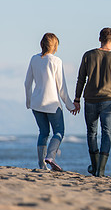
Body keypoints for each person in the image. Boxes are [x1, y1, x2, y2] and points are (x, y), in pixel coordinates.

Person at [73, 27, 111, 177]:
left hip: (90, 99)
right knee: (106, 133)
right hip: (109, 100)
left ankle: (95, 165)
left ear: (99, 39)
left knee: (91, 133)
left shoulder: (88, 55)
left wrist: (77, 99)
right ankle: (101, 170)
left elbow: (81, 79)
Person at [25, 33, 76, 171]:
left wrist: (29, 101)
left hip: (36, 103)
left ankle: (42, 165)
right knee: (59, 131)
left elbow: (27, 83)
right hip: (52, 104)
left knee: (43, 132)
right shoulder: (56, 61)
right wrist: (70, 105)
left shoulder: (34, 59)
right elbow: (62, 88)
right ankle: (50, 156)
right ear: (55, 46)